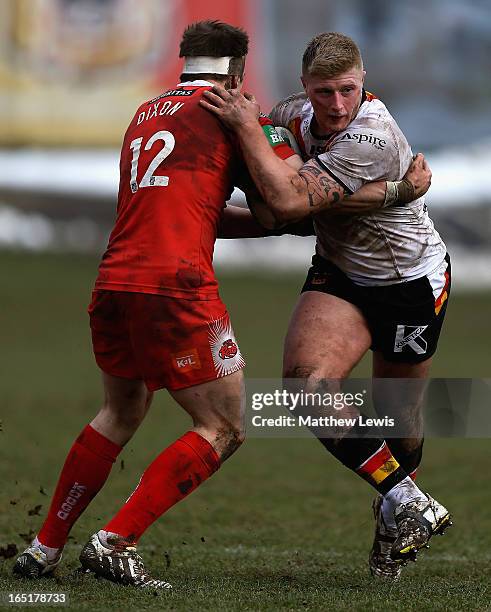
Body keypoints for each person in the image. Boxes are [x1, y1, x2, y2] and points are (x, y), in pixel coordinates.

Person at [12, 20, 303, 590]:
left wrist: (267, 226)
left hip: (115, 280)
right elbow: (284, 200)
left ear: (184, 60)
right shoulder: (235, 112)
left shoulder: (145, 113)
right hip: (175, 287)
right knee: (223, 423)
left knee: (120, 411)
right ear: (238, 70)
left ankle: (44, 549)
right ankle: (114, 542)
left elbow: (182, 209)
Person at [201, 31, 452, 580]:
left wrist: (252, 139)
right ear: (304, 89)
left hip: (409, 279)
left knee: (399, 418)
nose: (335, 106)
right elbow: (278, 200)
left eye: (346, 91)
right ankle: (408, 498)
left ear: (364, 84)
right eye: (322, 93)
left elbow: (288, 201)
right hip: (340, 271)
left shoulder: (376, 137)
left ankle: (392, 518)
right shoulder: (294, 115)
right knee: (304, 388)